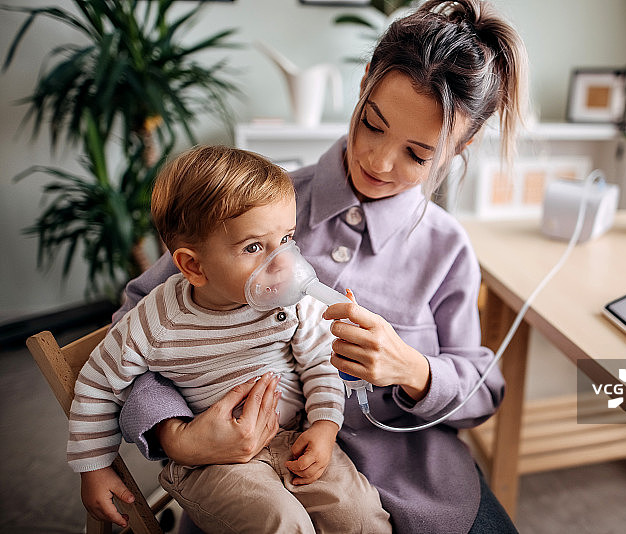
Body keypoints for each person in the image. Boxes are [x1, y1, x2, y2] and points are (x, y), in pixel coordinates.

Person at [113, 1, 528, 532]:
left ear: (460, 146)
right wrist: (177, 435)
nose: (379, 161)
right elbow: (132, 323)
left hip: (408, 475)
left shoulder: (447, 248)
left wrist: (412, 369)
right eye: (372, 125)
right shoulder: (257, 207)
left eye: (417, 155)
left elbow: (483, 391)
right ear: (363, 84)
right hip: (248, 476)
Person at [69, 145, 390, 533]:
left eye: (286, 239)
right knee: (281, 522)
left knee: (362, 518)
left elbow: (320, 362)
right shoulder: (156, 321)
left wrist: (324, 425)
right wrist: (95, 468)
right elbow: (97, 385)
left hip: (294, 439)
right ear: (194, 265)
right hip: (212, 462)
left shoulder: (292, 305)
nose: (283, 263)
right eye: (254, 247)